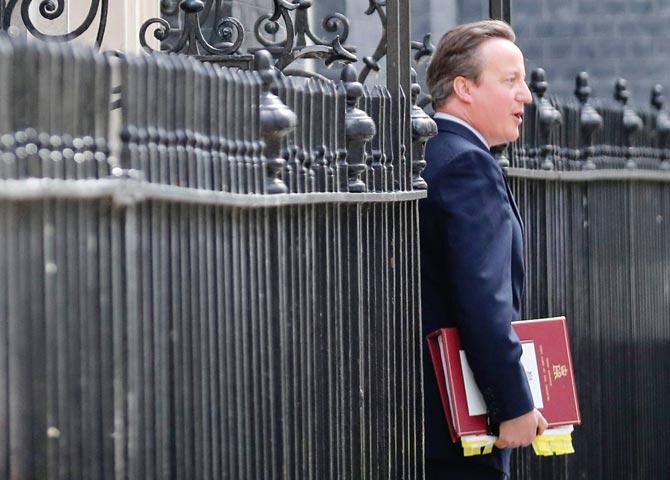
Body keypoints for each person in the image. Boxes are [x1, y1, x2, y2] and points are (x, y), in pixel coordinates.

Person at [420, 20, 548, 480]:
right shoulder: (467, 165)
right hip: (462, 423)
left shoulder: (432, 150)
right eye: (510, 80)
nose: (526, 96)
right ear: (463, 88)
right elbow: (483, 298)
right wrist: (513, 403)